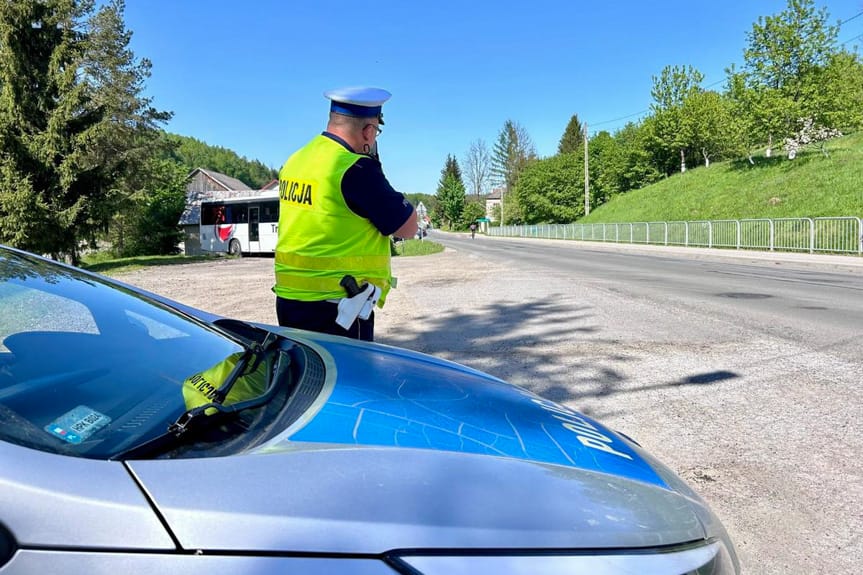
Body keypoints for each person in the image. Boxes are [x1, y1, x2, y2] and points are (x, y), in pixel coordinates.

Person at [273, 86, 418, 341]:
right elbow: (407, 227)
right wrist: (376, 166)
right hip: (338, 308)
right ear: (368, 131)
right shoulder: (355, 168)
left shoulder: (295, 161)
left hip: (290, 301)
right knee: (345, 378)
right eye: (376, 132)